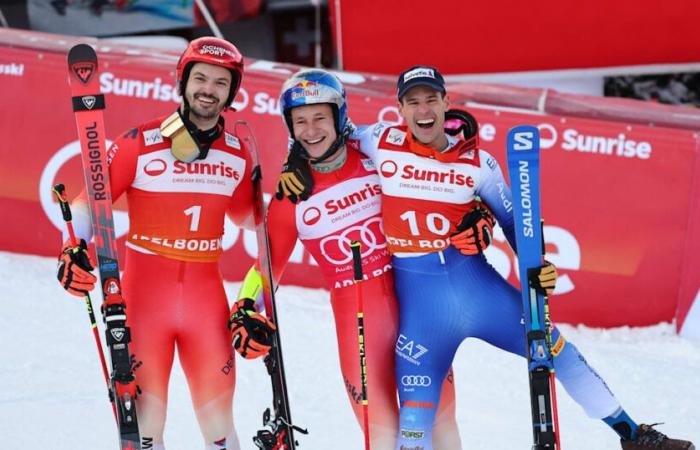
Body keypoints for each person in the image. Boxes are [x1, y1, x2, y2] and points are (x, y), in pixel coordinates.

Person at [275, 66, 696, 450]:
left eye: (431, 100)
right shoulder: (379, 141)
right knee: (415, 428)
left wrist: (535, 264)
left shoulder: (480, 163)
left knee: (559, 351)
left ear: (445, 103)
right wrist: (294, 159)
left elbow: (518, 225)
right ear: (399, 108)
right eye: (413, 101)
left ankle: (633, 435)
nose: (423, 111)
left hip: (480, 293)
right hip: (423, 317)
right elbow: (327, 134)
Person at [227, 69, 474, 449]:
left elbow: (435, 144)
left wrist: (461, 131)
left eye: (320, 117)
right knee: (383, 437)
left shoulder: (379, 156)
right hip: (358, 325)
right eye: (300, 121)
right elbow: (267, 265)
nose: (311, 130)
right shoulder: (290, 197)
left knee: (441, 428)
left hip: (417, 307)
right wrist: (245, 305)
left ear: (339, 116)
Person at [55, 37, 258, 450]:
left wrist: (296, 195)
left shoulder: (237, 155)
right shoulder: (139, 142)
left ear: (231, 92)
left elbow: (258, 224)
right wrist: (73, 247)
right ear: (182, 82)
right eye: (199, 78)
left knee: (219, 426)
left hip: (206, 306)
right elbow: (88, 203)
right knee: (145, 429)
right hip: (144, 302)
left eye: (221, 82)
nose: (208, 89)